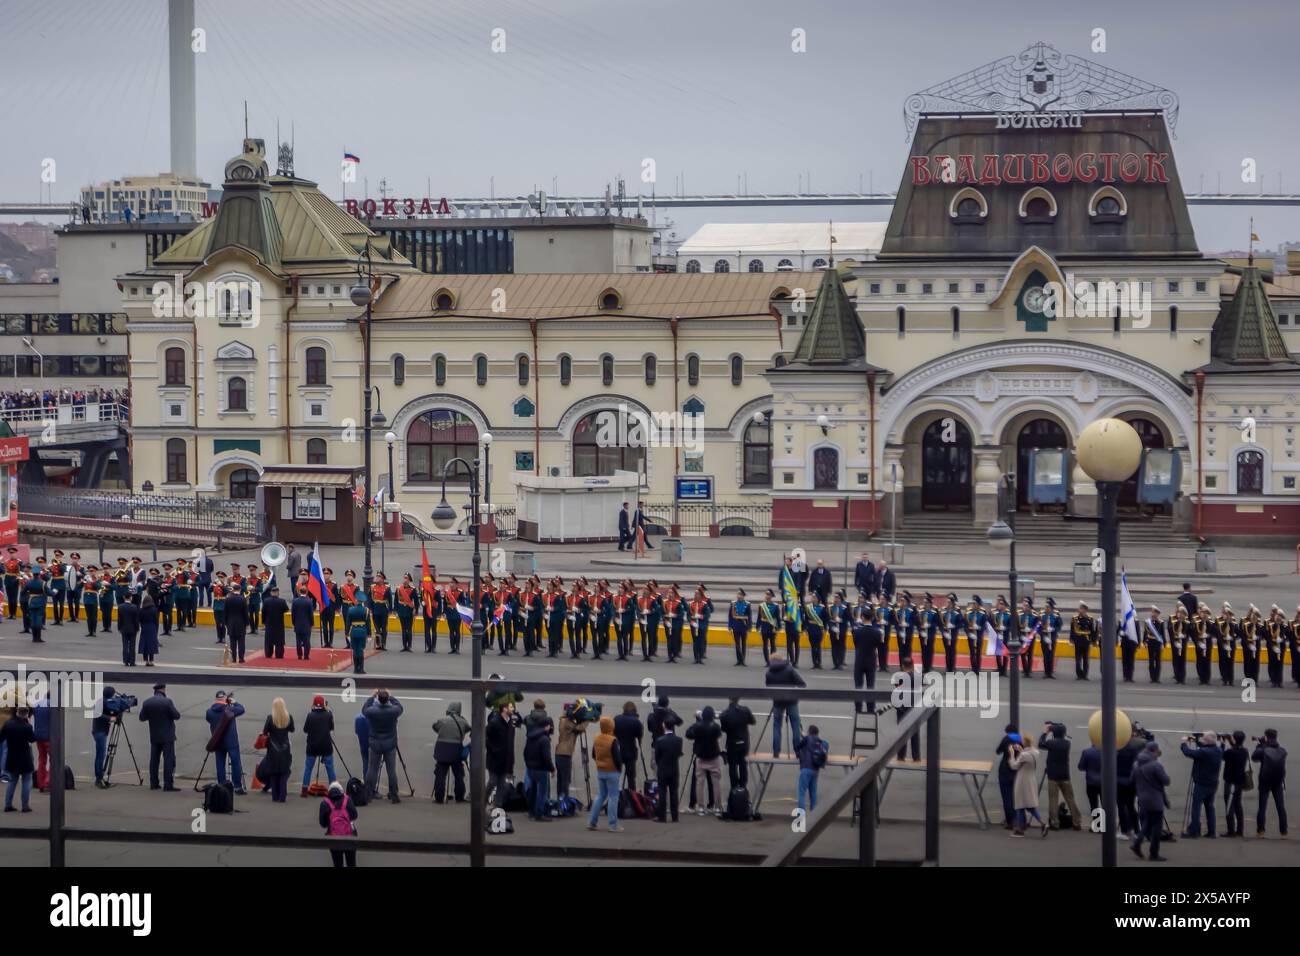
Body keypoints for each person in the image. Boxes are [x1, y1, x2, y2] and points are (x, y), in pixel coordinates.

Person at [1131, 740, 1171, 861]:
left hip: (1142, 798)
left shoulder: (1136, 764)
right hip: (1155, 799)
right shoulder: (1155, 765)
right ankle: (1153, 854)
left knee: (1147, 823)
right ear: (1154, 750)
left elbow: (1132, 779)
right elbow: (1166, 781)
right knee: (1157, 828)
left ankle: (1137, 844)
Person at [1038, 722, 1082, 830]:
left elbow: (1040, 744)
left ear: (1054, 733)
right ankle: (1077, 822)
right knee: (1070, 798)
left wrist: (1045, 733)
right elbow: (1063, 735)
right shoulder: (1067, 743)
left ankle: (1054, 823)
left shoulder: (1051, 743)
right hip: (1065, 774)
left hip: (1053, 775)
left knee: (1053, 799)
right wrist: (1057, 728)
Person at [1179, 731, 1223, 838]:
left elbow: (1188, 753)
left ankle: (1194, 831)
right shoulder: (1218, 750)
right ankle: (1211, 831)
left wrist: (1184, 743)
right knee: (1209, 807)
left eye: (1204, 739)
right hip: (1213, 783)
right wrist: (1197, 741)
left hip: (1202, 783)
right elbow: (1205, 748)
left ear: (1207, 741)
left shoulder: (1203, 752)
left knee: (1196, 807)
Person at [362, 690, 403, 803]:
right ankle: (394, 795)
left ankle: (368, 794)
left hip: (375, 743)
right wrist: (391, 696)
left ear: (378, 699)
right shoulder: (393, 711)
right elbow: (400, 707)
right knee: (391, 771)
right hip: (390, 744)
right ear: (387, 699)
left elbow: (364, 709)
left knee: (372, 769)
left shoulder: (372, 711)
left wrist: (371, 697)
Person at [138, 682, 180, 791]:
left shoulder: (147, 702)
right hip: (168, 736)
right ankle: (168, 784)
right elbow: (176, 715)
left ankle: (154, 783)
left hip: (154, 735)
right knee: (168, 760)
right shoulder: (167, 702)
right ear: (163, 689)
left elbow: (142, 718)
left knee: (154, 760)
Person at [586, 715, 624, 832]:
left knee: (601, 796)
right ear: (611, 726)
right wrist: (619, 768)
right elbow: (617, 757)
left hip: (600, 770)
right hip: (612, 771)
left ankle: (592, 822)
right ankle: (613, 825)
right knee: (613, 797)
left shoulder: (597, 738)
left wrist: (600, 763)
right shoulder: (613, 740)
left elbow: (593, 754)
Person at [204, 691, 246, 793]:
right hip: (231, 741)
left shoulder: (209, 712)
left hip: (218, 741)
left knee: (220, 764)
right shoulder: (230, 709)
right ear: (224, 699)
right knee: (236, 763)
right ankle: (237, 786)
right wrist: (234, 702)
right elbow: (241, 709)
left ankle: (221, 785)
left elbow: (209, 720)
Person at [765, 653, 805, 757]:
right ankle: (798, 751)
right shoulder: (789, 670)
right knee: (795, 725)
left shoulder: (769, 673)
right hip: (791, 700)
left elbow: (768, 687)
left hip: (777, 702)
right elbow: (802, 684)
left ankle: (776, 751)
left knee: (777, 726)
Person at [686, 706, 723, 817]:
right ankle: (717, 807)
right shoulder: (715, 727)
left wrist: (697, 721)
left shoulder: (697, 726)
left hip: (701, 757)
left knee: (699, 783)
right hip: (713, 757)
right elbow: (719, 735)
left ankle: (701, 807)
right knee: (716, 783)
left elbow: (689, 734)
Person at [1008, 734, 1047, 837]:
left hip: (1022, 781)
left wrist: (1012, 754)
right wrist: (1021, 750)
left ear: (1024, 742)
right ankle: (1042, 823)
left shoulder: (1024, 755)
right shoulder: (1035, 752)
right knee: (1030, 805)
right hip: (1031, 780)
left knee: (1020, 805)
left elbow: (1014, 765)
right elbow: (1028, 758)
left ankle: (1020, 830)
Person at [1252, 729, 1288, 838]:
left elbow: (1254, 758)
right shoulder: (1282, 750)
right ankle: (1284, 832)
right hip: (1277, 781)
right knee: (1280, 806)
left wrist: (1260, 745)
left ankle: (1261, 831)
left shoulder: (1263, 749)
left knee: (1262, 806)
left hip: (1265, 780)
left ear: (1266, 737)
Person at [485, 700, 520, 810]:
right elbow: (486, 737)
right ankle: (482, 801)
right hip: (494, 759)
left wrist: (511, 759)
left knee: (503, 785)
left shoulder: (511, 723)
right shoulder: (495, 722)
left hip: (507, 760)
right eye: (511, 707)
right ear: (504, 709)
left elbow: (510, 742)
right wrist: (493, 750)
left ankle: (497, 807)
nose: (513, 709)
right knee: (492, 782)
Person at [432, 702, 470, 803]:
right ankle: (459, 797)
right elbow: (468, 729)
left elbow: (435, 727)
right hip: (456, 749)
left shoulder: (442, 720)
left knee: (440, 774)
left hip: (442, 749)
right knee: (458, 775)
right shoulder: (463, 721)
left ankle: (439, 797)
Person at [1, 706, 35, 812]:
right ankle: (25, 806)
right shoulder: (27, 727)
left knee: (12, 781)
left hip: (12, 757)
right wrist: (29, 723)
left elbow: (1, 738)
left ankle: (8, 804)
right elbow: (32, 739)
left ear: (17, 712)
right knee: (27, 781)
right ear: (26, 714)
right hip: (25, 757)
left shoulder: (8, 724)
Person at [262, 697, 295, 803]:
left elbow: (265, 731)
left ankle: (275, 796)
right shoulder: (288, 717)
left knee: (274, 772)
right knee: (284, 772)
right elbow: (292, 729)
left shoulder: (270, 718)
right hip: (285, 748)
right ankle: (282, 796)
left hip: (273, 747)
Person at [301, 696, 336, 796]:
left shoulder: (310, 715)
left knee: (308, 768)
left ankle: (304, 789)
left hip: (312, 746)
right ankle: (333, 789)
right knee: (330, 768)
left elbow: (305, 730)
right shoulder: (329, 715)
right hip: (326, 745)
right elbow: (331, 728)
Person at [320, 780, 359, 867]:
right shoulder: (347, 799)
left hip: (334, 837)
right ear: (341, 791)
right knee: (351, 863)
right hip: (350, 836)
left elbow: (323, 823)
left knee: (337, 863)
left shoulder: (325, 803)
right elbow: (354, 815)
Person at [719, 697, 755, 790]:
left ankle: (734, 787)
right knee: (743, 764)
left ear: (729, 700)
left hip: (732, 743)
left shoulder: (724, 714)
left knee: (733, 766)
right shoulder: (745, 710)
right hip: (744, 742)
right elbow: (752, 721)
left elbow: (724, 729)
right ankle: (743, 786)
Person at [523, 717, 555, 821]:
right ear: (547, 726)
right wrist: (552, 768)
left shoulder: (531, 736)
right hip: (541, 768)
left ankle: (531, 811)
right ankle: (539, 814)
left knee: (533, 790)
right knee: (542, 792)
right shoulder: (544, 739)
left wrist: (528, 764)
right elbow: (546, 756)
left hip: (531, 768)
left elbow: (525, 752)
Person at [555, 705, 589, 800]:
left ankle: (560, 800)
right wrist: (587, 718)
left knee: (561, 779)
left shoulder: (564, 721)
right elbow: (580, 728)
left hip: (560, 753)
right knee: (565, 780)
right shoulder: (567, 722)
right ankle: (564, 801)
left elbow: (576, 731)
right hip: (564, 754)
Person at [652, 721, 683, 822]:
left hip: (663, 768)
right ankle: (675, 816)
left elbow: (657, 756)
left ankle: (662, 816)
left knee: (662, 792)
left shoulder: (659, 740)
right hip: (674, 768)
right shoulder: (679, 740)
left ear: (664, 725)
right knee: (674, 792)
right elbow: (679, 753)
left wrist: (660, 763)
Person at [1220, 730, 1249, 838]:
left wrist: (1223, 743)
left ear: (1234, 739)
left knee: (1229, 807)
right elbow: (1235, 747)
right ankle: (1240, 830)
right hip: (1240, 782)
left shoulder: (1230, 752)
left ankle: (1231, 830)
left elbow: (1221, 755)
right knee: (1238, 805)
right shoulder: (1244, 751)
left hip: (1231, 782)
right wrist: (1229, 739)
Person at [894, 658, 922, 761]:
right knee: (915, 734)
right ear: (913, 666)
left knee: (901, 734)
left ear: (902, 666)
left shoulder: (898, 678)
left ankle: (901, 756)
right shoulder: (917, 678)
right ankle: (916, 756)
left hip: (902, 709)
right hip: (914, 708)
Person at [794, 724, 826, 813]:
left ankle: (801, 816)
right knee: (813, 794)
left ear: (809, 732)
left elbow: (797, 747)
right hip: (815, 770)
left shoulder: (807, 739)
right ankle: (813, 816)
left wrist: (803, 737)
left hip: (806, 768)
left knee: (801, 793)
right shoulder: (820, 741)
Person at [613, 702, 644, 790]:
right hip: (631, 753)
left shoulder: (616, 719)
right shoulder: (636, 722)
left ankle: (618, 798)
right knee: (631, 779)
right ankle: (632, 799)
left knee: (617, 777)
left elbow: (612, 734)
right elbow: (639, 737)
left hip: (618, 751)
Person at [994, 725, 1020, 829]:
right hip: (1016, 771)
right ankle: (1017, 819)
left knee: (1007, 797)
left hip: (1005, 770)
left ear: (1007, 732)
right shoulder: (1021, 739)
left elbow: (998, 751)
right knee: (1015, 797)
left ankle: (1010, 822)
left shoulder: (1006, 739)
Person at [261, 585, 289, 660]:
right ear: (277, 593)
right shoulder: (282, 601)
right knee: (279, 641)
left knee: (269, 640)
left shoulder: (266, 601)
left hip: (269, 623)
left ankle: (268, 654)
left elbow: (263, 612)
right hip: (279, 623)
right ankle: (279, 654)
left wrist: (263, 621)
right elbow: (286, 609)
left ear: (271, 593)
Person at [1078, 739, 1102, 818]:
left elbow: (1081, 767)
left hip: (1091, 782)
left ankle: (1097, 824)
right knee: (1106, 804)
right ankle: (1106, 825)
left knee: (1093, 804)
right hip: (1105, 783)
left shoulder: (1087, 752)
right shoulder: (1109, 751)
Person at [224, 585, 248, 663]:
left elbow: (225, 612)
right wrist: (247, 623)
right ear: (240, 590)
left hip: (230, 623)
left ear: (233, 590)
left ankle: (234, 658)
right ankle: (241, 658)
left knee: (232, 642)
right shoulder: (243, 599)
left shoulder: (228, 599)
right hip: (241, 623)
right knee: (241, 642)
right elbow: (245, 613)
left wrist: (225, 622)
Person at [116, 592, 140, 667]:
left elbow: (119, 619)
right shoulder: (134, 607)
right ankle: (132, 662)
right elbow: (136, 620)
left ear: (124, 597)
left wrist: (119, 627)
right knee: (132, 645)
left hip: (124, 628)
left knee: (125, 645)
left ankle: (126, 661)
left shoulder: (120, 607)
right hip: (133, 629)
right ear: (130, 597)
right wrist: (137, 628)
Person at [291, 586, 315, 660]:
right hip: (306, 624)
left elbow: (293, 614)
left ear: (299, 592)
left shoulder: (295, 601)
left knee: (298, 640)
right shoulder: (309, 601)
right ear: (306, 592)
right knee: (306, 641)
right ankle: (306, 656)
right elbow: (311, 614)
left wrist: (294, 623)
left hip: (297, 624)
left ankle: (299, 655)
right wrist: (312, 623)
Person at [137, 593, 160, 666]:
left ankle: (146, 660)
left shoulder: (141, 610)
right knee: (151, 644)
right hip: (152, 627)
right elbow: (156, 620)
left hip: (144, 627)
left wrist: (142, 625)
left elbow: (139, 619)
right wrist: (156, 628)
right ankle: (151, 660)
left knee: (145, 644)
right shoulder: (154, 609)